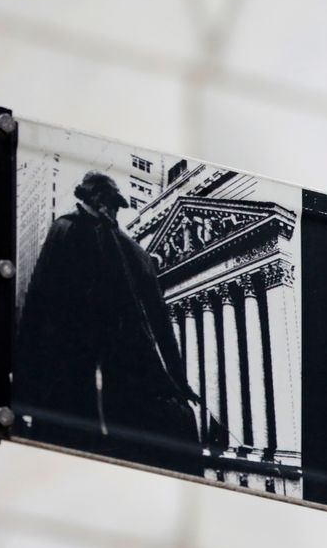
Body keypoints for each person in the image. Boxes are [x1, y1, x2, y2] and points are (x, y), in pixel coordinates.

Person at [14, 171, 203, 475]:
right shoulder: (68, 231)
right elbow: (39, 305)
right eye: (112, 205)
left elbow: (159, 323)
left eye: (116, 207)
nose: (114, 212)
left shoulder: (129, 251)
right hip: (81, 375)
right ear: (98, 201)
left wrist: (179, 381)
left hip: (112, 377)